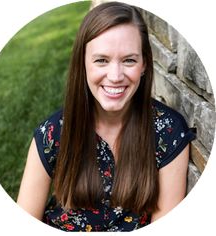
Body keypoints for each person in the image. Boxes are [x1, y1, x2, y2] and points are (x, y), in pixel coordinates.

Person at [17, 1, 196, 232]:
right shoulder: (52, 133)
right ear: (83, 63)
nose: (115, 76)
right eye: (101, 60)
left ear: (144, 64)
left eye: (129, 60)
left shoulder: (168, 132)